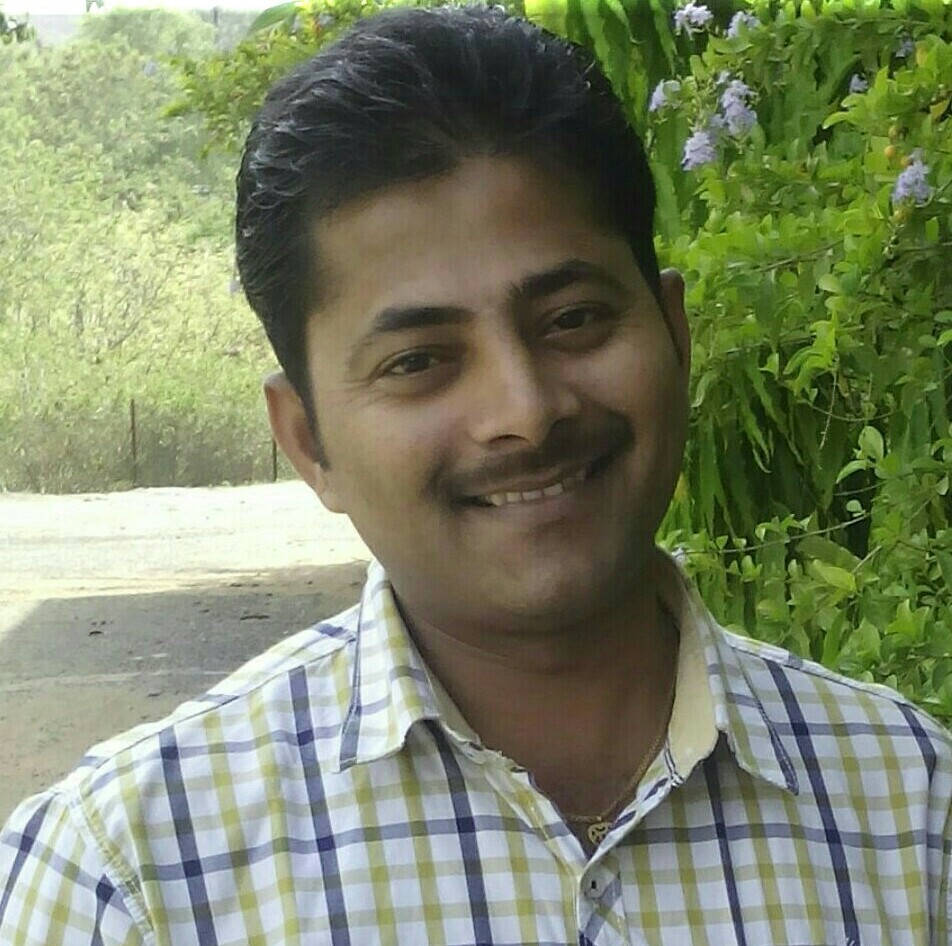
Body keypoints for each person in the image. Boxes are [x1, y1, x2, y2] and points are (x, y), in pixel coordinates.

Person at [1, 4, 950, 943]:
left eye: (573, 319)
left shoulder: (916, 812)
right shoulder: (124, 883)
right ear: (308, 441)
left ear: (675, 333)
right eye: (418, 361)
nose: (525, 411)